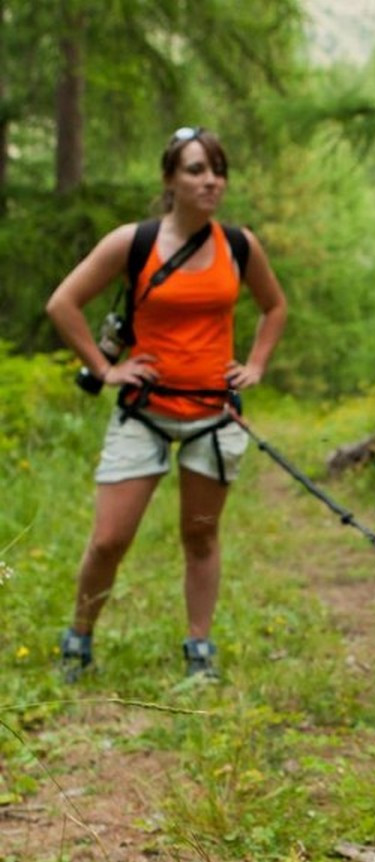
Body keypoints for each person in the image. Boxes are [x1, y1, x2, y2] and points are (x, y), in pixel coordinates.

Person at [46, 126, 287, 681]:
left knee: (200, 535)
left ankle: (198, 650)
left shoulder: (239, 245)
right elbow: (63, 303)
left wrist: (255, 365)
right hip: (144, 412)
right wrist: (107, 369)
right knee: (109, 539)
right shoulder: (134, 242)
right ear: (170, 180)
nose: (211, 181)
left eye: (217, 170)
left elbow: (274, 308)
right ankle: (78, 639)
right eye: (197, 169)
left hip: (214, 414)